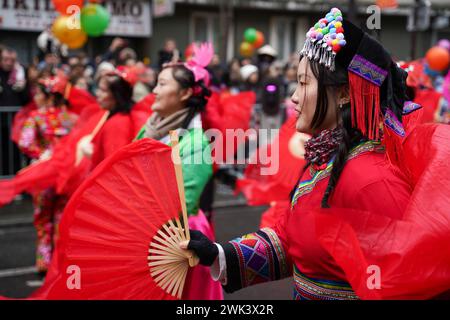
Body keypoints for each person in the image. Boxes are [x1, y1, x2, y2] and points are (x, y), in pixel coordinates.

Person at [180, 8, 450, 300]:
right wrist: (219, 253)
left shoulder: (370, 181)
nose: (293, 96)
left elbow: (405, 285)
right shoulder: (324, 161)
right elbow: (293, 241)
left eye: (304, 83)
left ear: (345, 93)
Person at [135, 43, 223, 300]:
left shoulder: (196, 143)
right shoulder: (148, 129)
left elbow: (180, 204)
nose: (154, 90)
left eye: (162, 84)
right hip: (145, 232)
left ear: (185, 93)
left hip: (178, 239)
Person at [17, 75, 78, 275]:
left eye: (39, 93)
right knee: (62, 216)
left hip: (44, 175)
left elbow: (25, 142)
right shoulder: (70, 118)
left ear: (48, 96)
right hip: (66, 175)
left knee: (43, 219)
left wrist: (42, 154)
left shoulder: (36, 117)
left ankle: (45, 261)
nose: (36, 96)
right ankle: (61, 261)